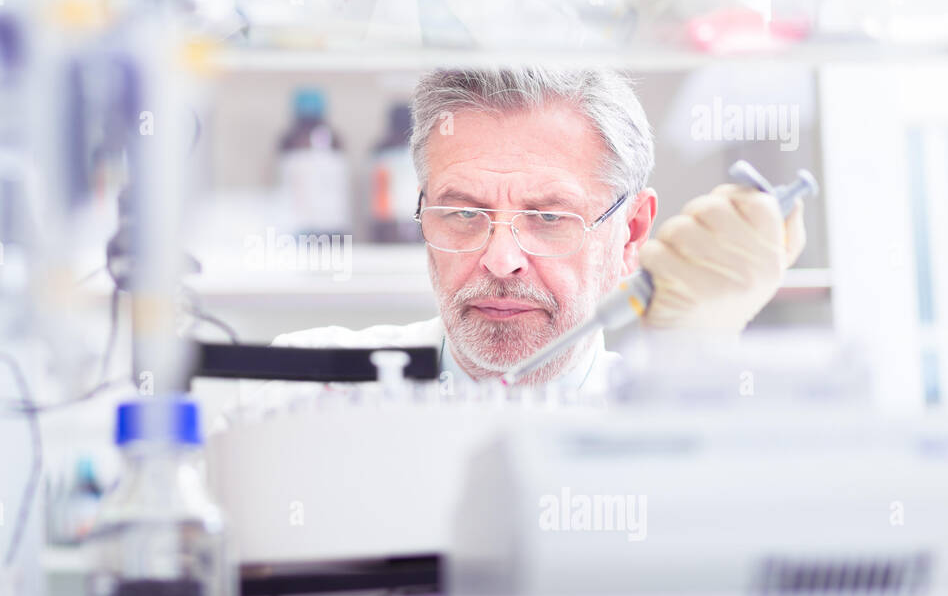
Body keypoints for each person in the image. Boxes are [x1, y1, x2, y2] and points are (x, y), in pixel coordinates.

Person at [260, 67, 806, 398]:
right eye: (463, 212)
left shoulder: (668, 416)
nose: (501, 261)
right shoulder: (311, 385)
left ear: (632, 231)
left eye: (548, 217)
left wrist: (699, 349)